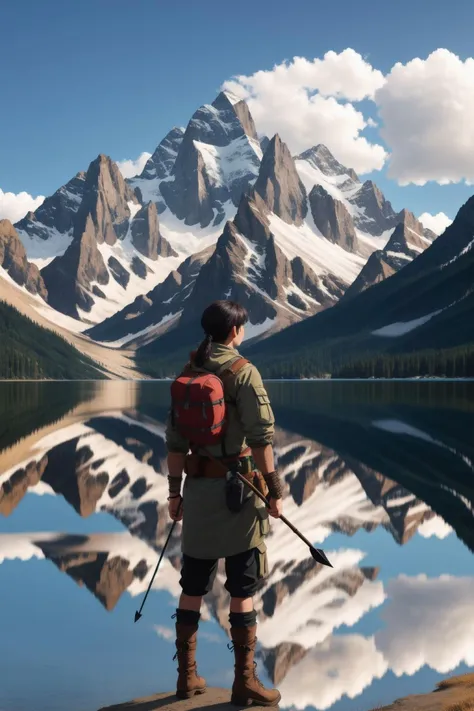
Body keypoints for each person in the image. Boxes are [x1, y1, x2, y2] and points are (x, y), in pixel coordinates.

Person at [165, 300, 284, 707]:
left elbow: (175, 443)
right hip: (239, 497)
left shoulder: (187, 373)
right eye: (243, 327)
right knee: (242, 586)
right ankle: (244, 682)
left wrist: (174, 492)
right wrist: (273, 488)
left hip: (197, 496)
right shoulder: (243, 372)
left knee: (192, 585)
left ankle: (186, 678)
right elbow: (261, 437)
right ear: (234, 331)